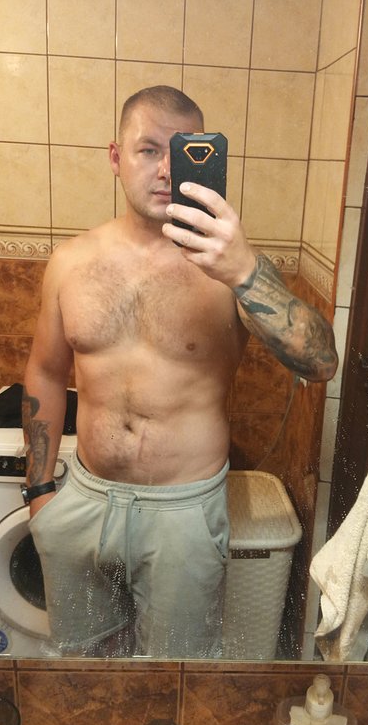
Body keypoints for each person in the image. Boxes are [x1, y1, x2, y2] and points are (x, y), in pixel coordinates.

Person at [22, 85, 338, 659]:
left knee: (177, 678)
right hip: (84, 498)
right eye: (148, 150)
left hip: (183, 513)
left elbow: (320, 362)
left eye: (186, 152)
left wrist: (243, 271)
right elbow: (45, 372)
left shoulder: (232, 267)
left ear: (207, 157)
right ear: (116, 157)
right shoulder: (71, 262)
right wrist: (41, 489)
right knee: (81, 670)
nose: (167, 170)